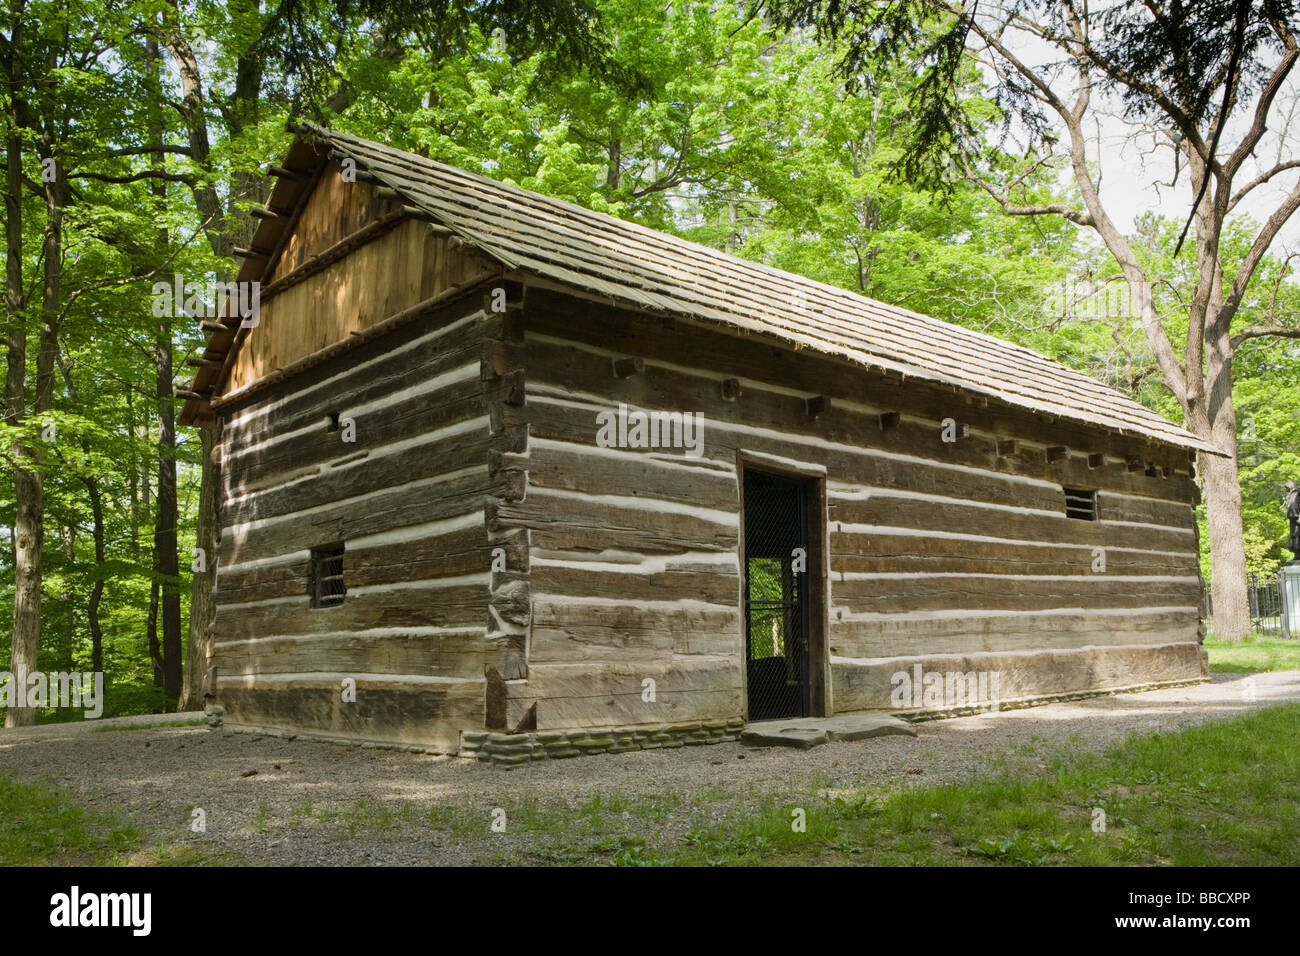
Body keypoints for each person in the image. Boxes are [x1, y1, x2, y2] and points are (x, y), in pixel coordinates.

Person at [1286, 481, 1300, 559]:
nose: (1286, 488)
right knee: (1293, 534)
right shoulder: (1291, 494)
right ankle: (1296, 553)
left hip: (1297, 517)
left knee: (1297, 534)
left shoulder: (1297, 493)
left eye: (1287, 487)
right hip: (1292, 518)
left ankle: (1298, 553)